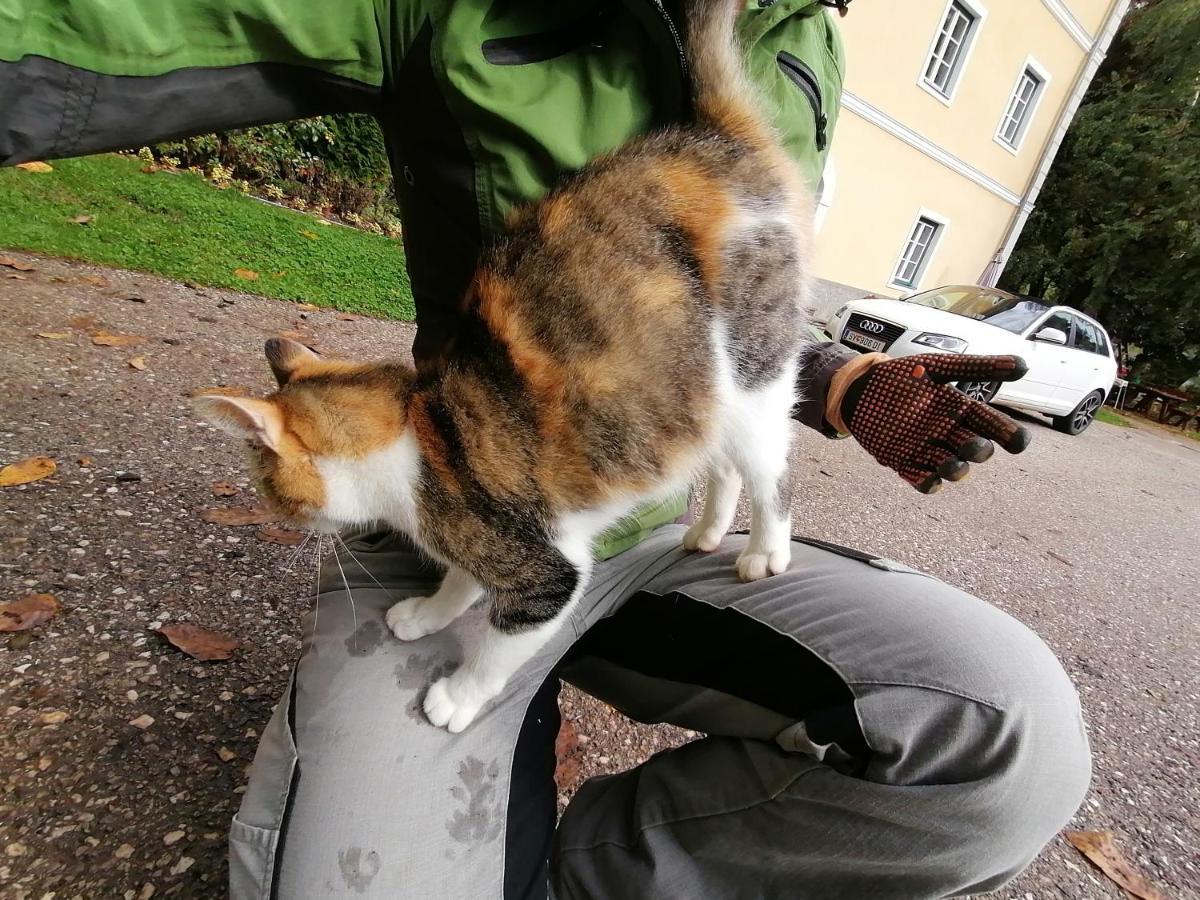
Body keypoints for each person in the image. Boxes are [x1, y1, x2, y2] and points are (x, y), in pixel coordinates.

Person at [0, 1, 1091, 896]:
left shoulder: (804, 31)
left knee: (1008, 740)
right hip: (464, 495)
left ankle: (582, 873)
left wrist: (834, 381)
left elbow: (743, 308)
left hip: (655, 537)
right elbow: (93, 31)